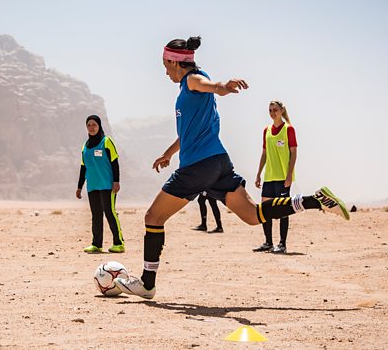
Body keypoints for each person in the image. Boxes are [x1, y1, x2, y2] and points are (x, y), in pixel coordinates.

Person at [113, 36, 349, 299]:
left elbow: (212, 86)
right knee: (252, 215)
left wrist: (223, 86)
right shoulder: (189, 88)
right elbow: (189, 131)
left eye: (165, 65)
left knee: (153, 218)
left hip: (198, 166)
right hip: (218, 162)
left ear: (173, 61)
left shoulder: (192, 80)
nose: (164, 70)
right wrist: (168, 154)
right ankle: (316, 200)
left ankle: (147, 283)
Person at [252, 101, 297, 254]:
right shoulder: (266, 131)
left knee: (283, 210)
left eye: (275, 110)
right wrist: (258, 174)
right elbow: (264, 154)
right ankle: (268, 242)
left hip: (283, 177)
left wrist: (289, 175)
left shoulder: (288, 129)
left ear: (282, 110)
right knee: (265, 210)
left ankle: (282, 244)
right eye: (270, 110)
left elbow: (294, 153)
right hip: (269, 177)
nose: (272, 113)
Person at [76, 115, 125, 253]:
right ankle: (97, 244)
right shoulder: (85, 146)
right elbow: (83, 167)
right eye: (89, 125)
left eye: (94, 125)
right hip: (92, 186)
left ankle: (119, 243)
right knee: (96, 215)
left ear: (99, 126)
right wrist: (79, 187)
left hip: (107, 185)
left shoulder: (106, 141)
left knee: (110, 213)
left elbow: (115, 162)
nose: (91, 127)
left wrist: (116, 181)